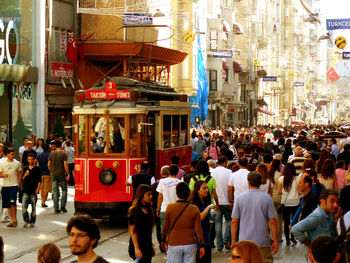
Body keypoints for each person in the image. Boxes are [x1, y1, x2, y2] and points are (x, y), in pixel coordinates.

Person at [231, 171, 278, 263]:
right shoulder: (267, 198)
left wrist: (233, 240)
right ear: (261, 182)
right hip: (262, 240)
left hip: (244, 241)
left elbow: (234, 221)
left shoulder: (239, 198)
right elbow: (272, 221)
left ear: (248, 182)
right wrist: (275, 240)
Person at [161, 182, 205, 263]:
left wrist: (163, 239)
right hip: (190, 242)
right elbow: (198, 229)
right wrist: (202, 245)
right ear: (188, 193)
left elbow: (166, 226)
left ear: (177, 193)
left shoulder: (170, 208)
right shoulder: (194, 209)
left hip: (174, 243)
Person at [210, 155, 232, 251]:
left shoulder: (211, 172)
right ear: (225, 162)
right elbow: (230, 187)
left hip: (216, 202)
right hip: (227, 201)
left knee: (217, 224)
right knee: (229, 220)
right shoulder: (229, 172)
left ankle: (219, 247)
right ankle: (226, 238)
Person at [190, 181, 215, 262]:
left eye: (207, 188)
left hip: (206, 237)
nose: (207, 190)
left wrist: (212, 214)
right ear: (197, 190)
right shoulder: (193, 204)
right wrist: (208, 209)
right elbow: (199, 218)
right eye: (204, 188)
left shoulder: (204, 201)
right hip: (198, 239)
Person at [128, 184, 154, 263]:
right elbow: (134, 231)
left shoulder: (149, 209)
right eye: (148, 194)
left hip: (147, 245)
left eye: (151, 194)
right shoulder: (134, 211)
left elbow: (149, 230)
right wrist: (137, 248)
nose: (151, 196)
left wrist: (151, 245)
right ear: (141, 195)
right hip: (138, 245)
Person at [278, 163, 300, 245]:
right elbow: (299, 191)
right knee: (294, 221)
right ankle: (293, 237)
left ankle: (287, 239)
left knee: (286, 221)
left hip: (286, 203)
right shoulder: (297, 178)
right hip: (295, 202)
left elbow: (279, 192)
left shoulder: (281, 179)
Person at [0, 148, 22, 227]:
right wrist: (3, 175)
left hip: (13, 185)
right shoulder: (2, 163)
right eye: (11, 154)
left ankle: (15, 219)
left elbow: (19, 173)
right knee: (8, 204)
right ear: (8, 154)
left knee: (13, 202)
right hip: (5, 185)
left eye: (14, 154)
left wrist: (19, 183)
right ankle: (12, 220)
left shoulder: (17, 163)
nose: (13, 156)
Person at [48, 141, 70, 214]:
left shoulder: (52, 153)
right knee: (64, 190)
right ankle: (63, 206)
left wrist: (51, 171)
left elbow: (48, 164)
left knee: (55, 191)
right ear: (61, 146)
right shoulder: (63, 153)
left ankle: (56, 208)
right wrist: (68, 173)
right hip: (62, 174)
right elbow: (65, 164)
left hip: (54, 174)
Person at [156, 164, 181, 231]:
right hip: (177, 209)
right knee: (175, 230)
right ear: (177, 172)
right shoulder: (180, 182)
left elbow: (160, 197)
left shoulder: (162, 182)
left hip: (165, 209)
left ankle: (165, 241)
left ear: (169, 172)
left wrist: (158, 209)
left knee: (164, 230)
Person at [21, 153, 41, 227]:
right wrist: (25, 175)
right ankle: (26, 220)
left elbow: (39, 180)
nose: (31, 161)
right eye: (29, 159)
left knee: (33, 207)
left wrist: (38, 189)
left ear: (34, 160)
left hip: (33, 190)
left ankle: (32, 221)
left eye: (32, 159)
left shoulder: (37, 169)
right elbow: (22, 179)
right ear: (27, 160)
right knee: (24, 207)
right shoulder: (25, 168)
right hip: (26, 190)